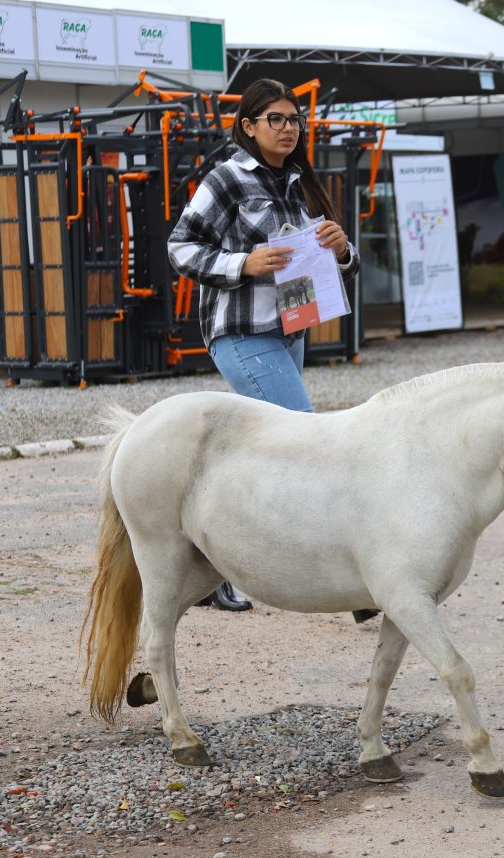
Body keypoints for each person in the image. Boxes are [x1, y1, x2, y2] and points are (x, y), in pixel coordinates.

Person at [168, 78, 359, 613]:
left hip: (291, 329)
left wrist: (343, 249)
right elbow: (180, 246)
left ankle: (209, 567)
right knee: (311, 441)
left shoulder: (300, 181)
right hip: (242, 332)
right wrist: (241, 263)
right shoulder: (227, 178)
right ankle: (354, 574)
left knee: (259, 454)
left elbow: (340, 263)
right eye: (275, 119)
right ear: (247, 126)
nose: (288, 128)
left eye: (294, 119)